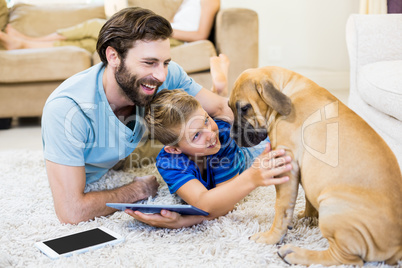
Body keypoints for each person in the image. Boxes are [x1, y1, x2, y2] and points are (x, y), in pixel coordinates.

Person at [41, 7, 232, 224]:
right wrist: (136, 189)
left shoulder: (165, 75)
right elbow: (71, 212)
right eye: (149, 63)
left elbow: (220, 108)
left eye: (165, 62)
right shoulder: (67, 110)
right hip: (100, 161)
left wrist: (272, 130)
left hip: (128, 148)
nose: (161, 75)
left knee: (182, 138)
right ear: (113, 56)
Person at [125, 89, 292, 228]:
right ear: (174, 149)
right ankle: (219, 88)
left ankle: (219, 88)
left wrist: (184, 221)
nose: (211, 134)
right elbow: (202, 202)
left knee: (283, 131)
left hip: (256, 147)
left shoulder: (223, 139)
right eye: (196, 135)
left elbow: (226, 205)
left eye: (206, 120)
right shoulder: (169, 162)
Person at [0, 0, 228, 96]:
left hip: (171, 40)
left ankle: (26, 42)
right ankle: (24, 42)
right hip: (163, 35)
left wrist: (156, 30)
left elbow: (199, 33)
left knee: (94, 26)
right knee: (91, 41)